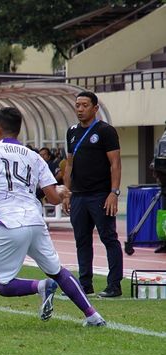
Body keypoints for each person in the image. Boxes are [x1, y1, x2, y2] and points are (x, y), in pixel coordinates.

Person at [0, 107, 106, 327]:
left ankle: (39, 287)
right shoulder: (34, 156)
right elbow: (53, 198)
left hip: (7, 222)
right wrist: (62, 191)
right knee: (58, 271)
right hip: (35, 221)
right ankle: (93, 315)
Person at [63, 91, 123, 298]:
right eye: (77, 105)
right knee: (82, 240)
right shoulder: (71, 132)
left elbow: (115, 164)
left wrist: (113, 192)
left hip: (100, 195)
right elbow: (69, 164)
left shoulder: (106, 131)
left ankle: (114, 284)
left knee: (109, 238)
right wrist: (66, 193)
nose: (80, 109)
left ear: (95, 108)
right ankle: (85, 284)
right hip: (78, 196)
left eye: (84, 105)